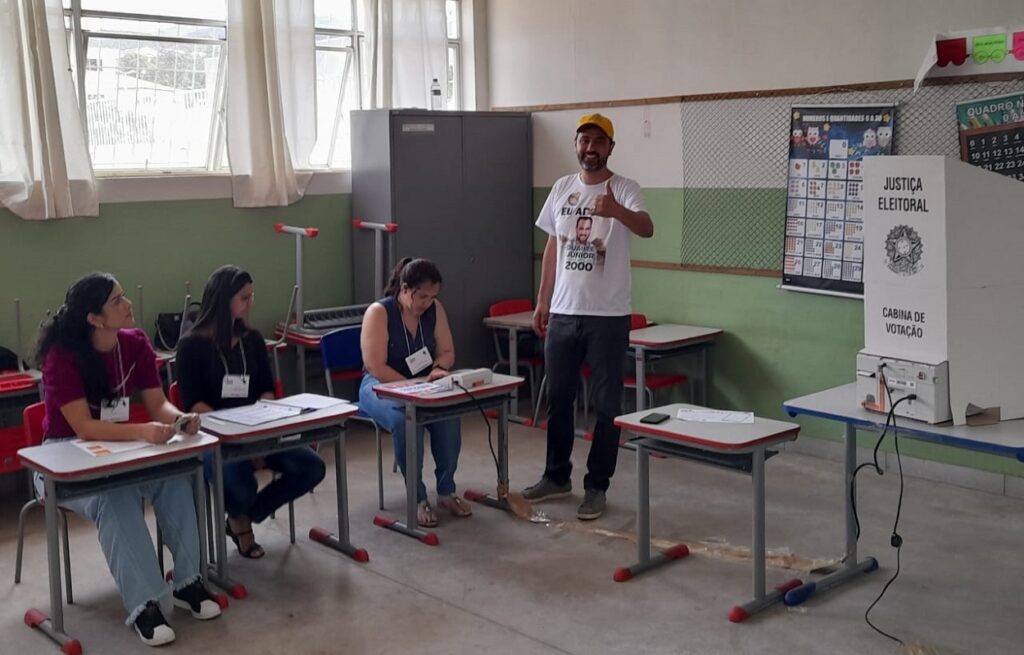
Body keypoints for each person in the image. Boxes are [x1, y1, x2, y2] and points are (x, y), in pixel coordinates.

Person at [37, 272, 221, 647]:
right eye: (117, 301)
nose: (128, 305)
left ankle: (188, 582)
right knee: (113, 497)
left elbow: (157, 403)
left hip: (120, 452)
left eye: (124, 297)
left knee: (174, 477)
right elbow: (84, 427)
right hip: (61, 461)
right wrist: (143, 432)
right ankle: (145, 604)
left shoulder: (135, 343)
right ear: (95, 318)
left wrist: (179, 418)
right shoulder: (62, 356)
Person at [523, 113, 654, 520]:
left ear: (610, 147)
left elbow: (647, 228)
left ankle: (597, 486)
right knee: (558, 398)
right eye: (584, 140)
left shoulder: (626, 189)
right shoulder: (562, 187)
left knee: (605, 405)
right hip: (563, 313)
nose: (590, 147)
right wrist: (543, 301)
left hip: (608, 317)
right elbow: (553, 247)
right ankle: (556, 476)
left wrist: (615, 210)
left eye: (599, 141)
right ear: (576, 145)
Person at [176, 265, 326, 559]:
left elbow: (267, 391)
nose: (250, 303)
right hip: (214, 438)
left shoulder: (252, 340)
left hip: (259, 432)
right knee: (242, 485)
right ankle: (240, 516)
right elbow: (194, 404)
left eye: (251, 296)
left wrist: (261, 437)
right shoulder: (190, 345)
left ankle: (245, 516)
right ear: (223, 300)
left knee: (313, 467)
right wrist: (240, 441)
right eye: (244, 297)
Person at [358, 257, 470, 527]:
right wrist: (411, 388)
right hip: (379, 385)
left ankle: (446, 490)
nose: (427, 303)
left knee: (448, 415)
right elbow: (375, 365)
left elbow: (447, 351)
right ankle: (418, 497)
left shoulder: (435, 309)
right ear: (404, 289)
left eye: (433, 297)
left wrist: (439, 369)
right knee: (405, 420)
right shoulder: (379, 312)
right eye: (421, 296)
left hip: (422, 384)